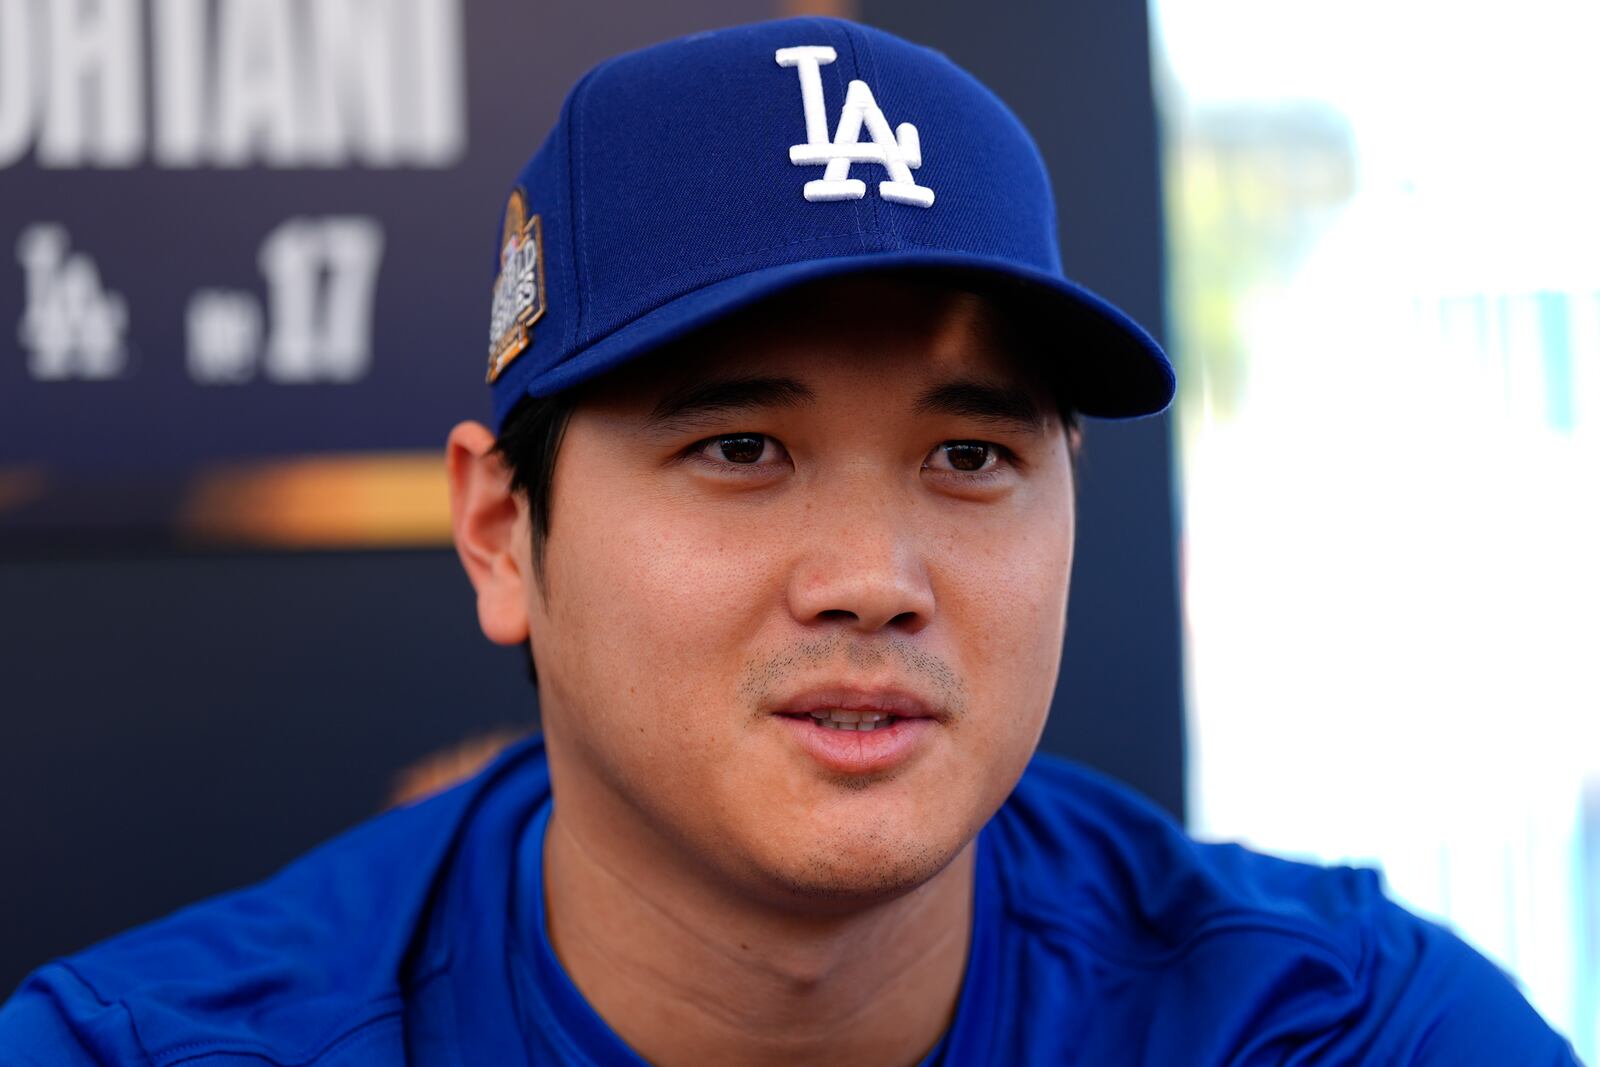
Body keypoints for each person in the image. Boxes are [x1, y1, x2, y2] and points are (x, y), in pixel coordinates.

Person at [0, 16, 1580, 1067]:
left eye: (972, 455)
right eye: (739, 449)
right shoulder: (162, 1050)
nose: (874, 581)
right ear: (501, 532)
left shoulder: (1339, 1030)